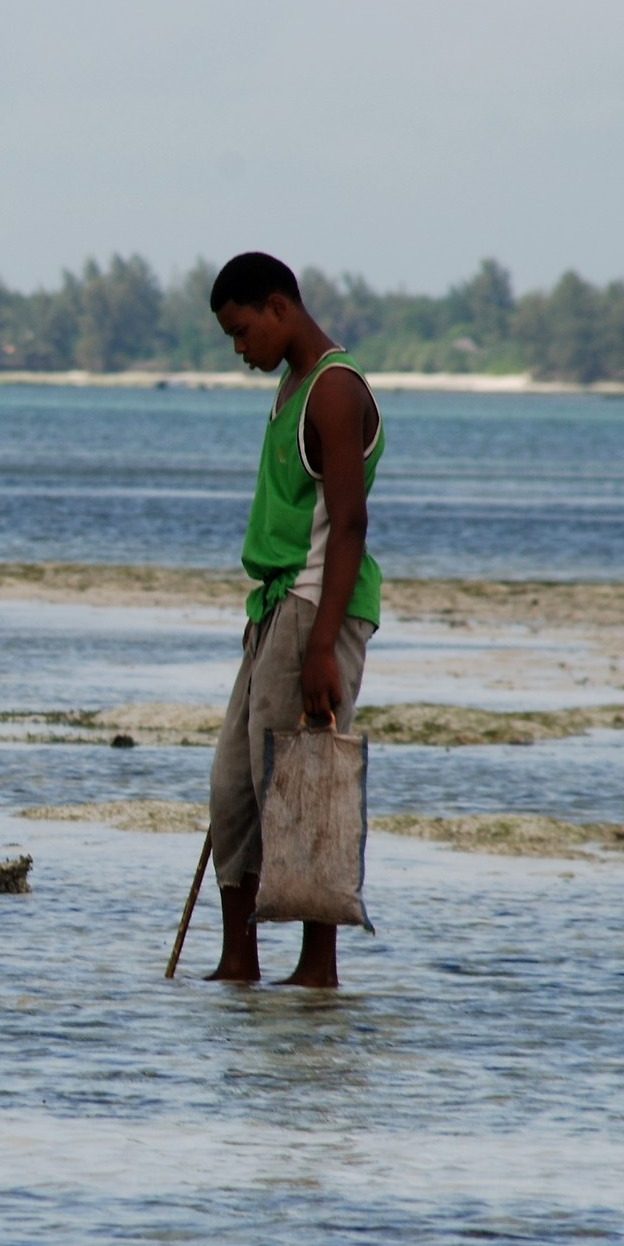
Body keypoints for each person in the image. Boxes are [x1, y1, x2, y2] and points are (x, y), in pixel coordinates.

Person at [202, 252, 383, 988]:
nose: (241, 351)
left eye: (244, 332)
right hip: (275, 606)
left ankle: (317, 968)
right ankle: (238, 961)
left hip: (317, 606)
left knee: (302, 781)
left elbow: (348, 525)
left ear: (279, 308)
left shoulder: (334, 392)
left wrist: (319, 652)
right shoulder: (290, 391)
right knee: (236, 787)